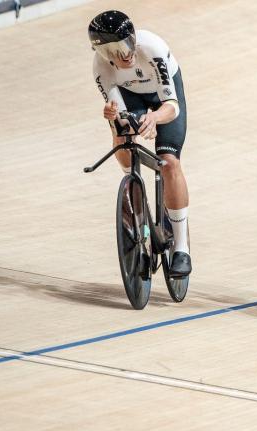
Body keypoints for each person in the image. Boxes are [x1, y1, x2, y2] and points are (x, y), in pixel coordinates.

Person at [89, 10, 191, 277]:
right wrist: (114, 120)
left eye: (127, 43)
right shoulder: (100, 68)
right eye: (116, 50)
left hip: (163, 99)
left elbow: (172, 107)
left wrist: (155, 118)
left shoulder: (152, 48)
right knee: (123, 141)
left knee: (169, 162)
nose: (125, 54)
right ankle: (133, 184)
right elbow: (121, 117)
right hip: (131, 98)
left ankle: (181, 248)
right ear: (103, 54)